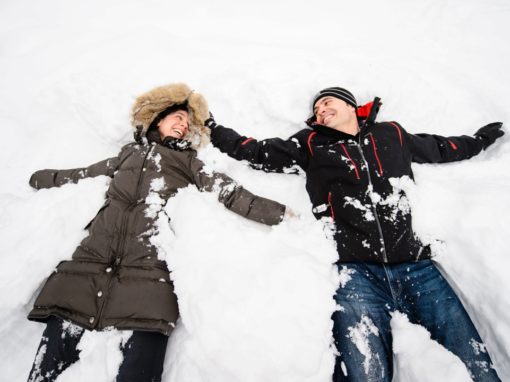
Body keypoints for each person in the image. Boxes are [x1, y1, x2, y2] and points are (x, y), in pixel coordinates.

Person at [205, 86, 504, 381]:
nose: (320, 111)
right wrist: (213, 128)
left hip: (416, 267)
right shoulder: (310, 143)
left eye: (327, 103)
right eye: (317, 110)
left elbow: (440, 148)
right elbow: (256, 152)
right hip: (356, 273)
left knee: (472, 362)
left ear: (352, 107)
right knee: (364, 374)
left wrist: (479, 140)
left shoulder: (391, 134)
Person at [27, 83, 291, 382]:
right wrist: (44, 178)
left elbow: (226, 190)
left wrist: (279, 214)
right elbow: (83, 174)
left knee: (141, 366)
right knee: (48, 364)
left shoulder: (189, 162)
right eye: (177, 117)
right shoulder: (127, 155)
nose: (183, 125)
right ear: (157, 120)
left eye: (187, 122)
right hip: (91, 261)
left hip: (147, 268)